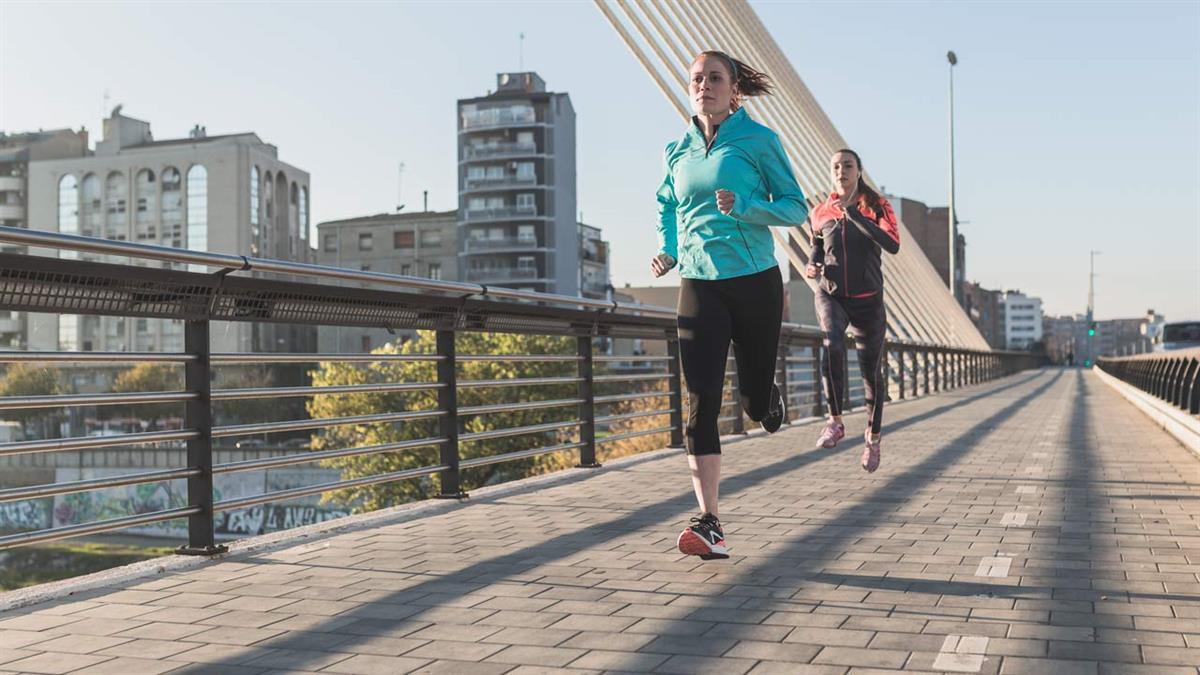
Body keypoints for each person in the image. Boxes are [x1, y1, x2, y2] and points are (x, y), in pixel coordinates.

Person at [653, 50, 808, 559]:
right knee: (700, 403)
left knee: (753, 404)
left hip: (754, 282)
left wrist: (746, 208)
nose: (703, 86)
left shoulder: (760, 141)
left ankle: (767, 399)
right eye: (696, 79)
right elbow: (667, 205)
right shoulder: (677, 148)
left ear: (734, 89)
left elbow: (795, 206)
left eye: (714, 78)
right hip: (699, 285)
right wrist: (670, 250)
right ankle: (710, 522)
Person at [805, 149, 900, 473]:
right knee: (831, 342)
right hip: (832, 294)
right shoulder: (820, 210)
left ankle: (872, 439)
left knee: (871, 373)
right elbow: (817, 247)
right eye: (836, 166)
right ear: (830, 172)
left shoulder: (877, 206)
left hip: (868, 299)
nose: (841, 170)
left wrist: (856, 217)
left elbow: (893, 244)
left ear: (859, 171)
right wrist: (812, 264)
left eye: (848, 165)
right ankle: (835, 421)